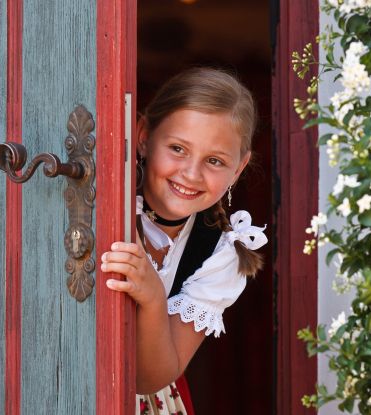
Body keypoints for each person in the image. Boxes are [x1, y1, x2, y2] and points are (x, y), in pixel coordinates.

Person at [100, 67, 268, 414]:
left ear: (238, 169)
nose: (191, 174)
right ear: (144, 136)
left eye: (214, 161)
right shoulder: (104, 203)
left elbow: (150, 377)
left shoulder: (221, 256)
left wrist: (152, 298)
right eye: (177, 148)